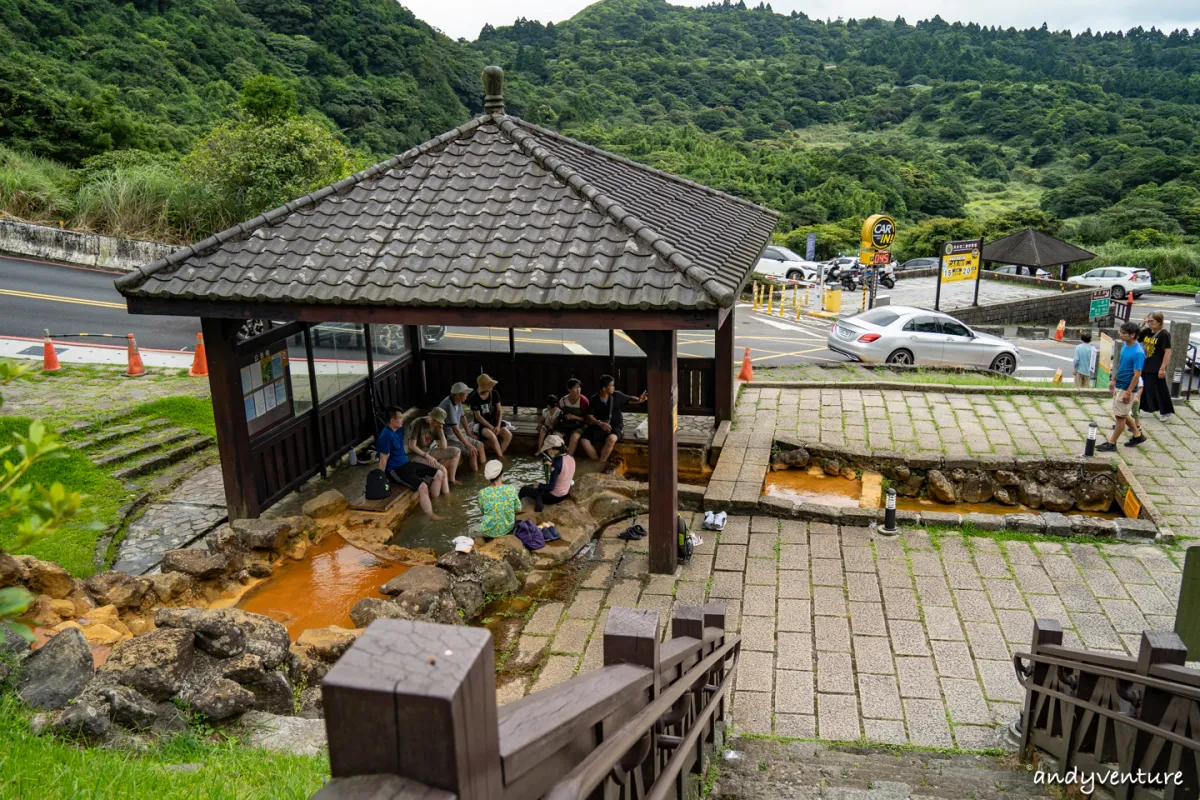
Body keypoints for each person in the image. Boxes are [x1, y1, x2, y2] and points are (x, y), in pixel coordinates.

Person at [376, 406, 445, 519]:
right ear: (392, 420)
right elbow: (383, 459)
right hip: (395, 470)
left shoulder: (398, 429)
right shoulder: (385, 436)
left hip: (406, 463)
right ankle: (430, 515)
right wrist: (381, 479)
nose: (403, 420)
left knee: (439, 474)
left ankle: (435, 503)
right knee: (423, 487)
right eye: (400, 418)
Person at [1097, 322, 1146, 452]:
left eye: (1124, 333)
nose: (1121, 335)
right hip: (1120, 383)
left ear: (1133, 335)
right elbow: (1122, 365)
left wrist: (1129, 391)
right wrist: (1113, 379)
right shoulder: (1125, 346)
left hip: (1127, 387)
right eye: (1121, 332)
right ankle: (1137, 435)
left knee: (1120, 417)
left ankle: (1112, 443)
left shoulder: (1138, 352)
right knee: (1122, 413)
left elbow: (1137, 374)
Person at [577, 374, 647, 462]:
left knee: (611, 439)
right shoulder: (594, 399)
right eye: (611, 385)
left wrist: (639, 400)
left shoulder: (616, 395)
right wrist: (599, 423)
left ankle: (602, 461)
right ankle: (596, 461)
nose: (613, 387)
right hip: (600, 426)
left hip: (615, 426)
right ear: (604, 389)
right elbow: (589, 417)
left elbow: (629, 399)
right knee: (584, 441)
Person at [405, 406, 462, 486]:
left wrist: (441, 431)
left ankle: (452, 480)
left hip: (428, 451)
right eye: (434, 420)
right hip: (414, 454)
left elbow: (443, 447)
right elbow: (411, 446)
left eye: (438, 421)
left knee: (456, 451)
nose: (436, 423)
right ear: (430, 416)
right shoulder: (417, 423)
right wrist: (427, 456)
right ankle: (447, 495)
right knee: (443, 470)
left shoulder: (437, 426)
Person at [519, 434, 575, 512]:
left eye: (547, 450)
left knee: (524, 489)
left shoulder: (556, 464)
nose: (547, 452)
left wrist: (539, 484)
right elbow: (563, 470)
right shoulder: (571, 458)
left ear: (551, 449)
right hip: (564, 494)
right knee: (531, 486)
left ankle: (520, 507)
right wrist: (551, 466)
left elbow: (551, 487)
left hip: (554, 497)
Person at [438, 382, 485, 473]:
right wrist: (468, 445)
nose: (467, 395)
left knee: (480, 445)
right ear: (458, 395)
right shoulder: (448, 405)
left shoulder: (457, 401)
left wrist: (468, 434)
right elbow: (455, 429)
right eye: (465, 393)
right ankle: (476, 475)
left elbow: (463, 417)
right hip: (447, 437)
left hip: (456, 435)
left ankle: (484, 472)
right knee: (472, 452)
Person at [1138, 311, 1175, 421]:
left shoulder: (1164, 334)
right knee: (1142, 388)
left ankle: (1166, 411)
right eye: (1148, 321)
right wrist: (1142, 324)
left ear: (1160, 322)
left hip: (1156, 366)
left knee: (1159, 390)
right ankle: (1138, 409)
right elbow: (1135, 337)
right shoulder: (1147, 331)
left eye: (1152, 321)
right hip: (1145, 364)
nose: (1150, 324)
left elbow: (1167, 352)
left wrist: (1162, 368)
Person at [467, 374, 513, 459]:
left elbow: (499, 411)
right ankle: (501, 457)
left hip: (494, 421)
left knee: (508, 435)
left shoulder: (495, 394)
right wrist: (491, 427)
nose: (491, 387)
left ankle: (498, 456)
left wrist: (498, 426)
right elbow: (478, 417)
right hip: (482, 424)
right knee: (493, 437)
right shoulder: (474, 397)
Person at [478, 460, 521, 539]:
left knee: (471, 530)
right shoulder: (511, 489)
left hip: (489, 531)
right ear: (502, 474)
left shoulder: (482, 492)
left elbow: (483, 512)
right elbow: (518, 509)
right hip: (508, 528)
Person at [556, 379, 589, 454]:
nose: (578, 390)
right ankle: (558, 457)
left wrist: (575, 417)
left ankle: (568, 458)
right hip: (565, 424)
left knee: (574, 438)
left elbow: (587, 419)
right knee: (556, 436)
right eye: (575, 387)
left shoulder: (583, 401)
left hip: (579, 425)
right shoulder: (563, 400)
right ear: (569, 389)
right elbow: (557, 413)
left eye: (579, 387)